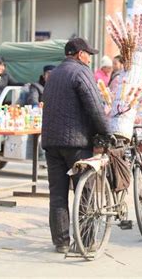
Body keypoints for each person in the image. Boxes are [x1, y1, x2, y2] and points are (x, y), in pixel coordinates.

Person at [41, 37, 110, 254]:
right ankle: (86, 241)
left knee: (58, 194)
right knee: (85, 191)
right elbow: (95, 107)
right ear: (80, 54)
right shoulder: (81, 72)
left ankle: (61, 242)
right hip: (77, 144)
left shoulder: (53, 75)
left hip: (52, 143)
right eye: (88, 54)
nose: (89, 59)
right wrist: (106, 132)